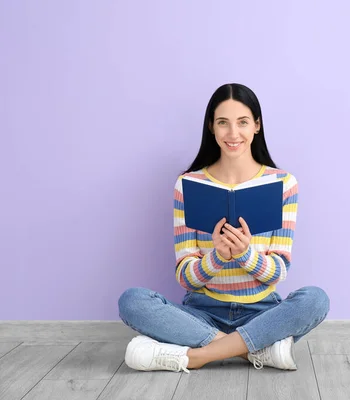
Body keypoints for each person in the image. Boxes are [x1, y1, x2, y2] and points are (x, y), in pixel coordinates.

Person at [117, 83, 330, 373]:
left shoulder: (283, 184)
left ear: (256, 126)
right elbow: (185, 277)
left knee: (316, 299)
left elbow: (279, 271)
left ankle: (195, 356)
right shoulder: (188, 185)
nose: (233, 134)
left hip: (262, 312)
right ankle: (251, 350)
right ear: (211, 128)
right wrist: (217, 256)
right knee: (132, 301)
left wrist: (245, 254)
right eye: (223, 123)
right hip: (201, 313)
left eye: (242, 122)